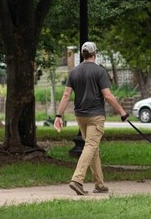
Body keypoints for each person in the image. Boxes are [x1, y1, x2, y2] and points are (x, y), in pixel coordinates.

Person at [54, 41, 129, 195]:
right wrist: (122, 112)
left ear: (83, 54)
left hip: (80, 116)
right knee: (90, 146)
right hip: (96, 116)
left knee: (92, 147)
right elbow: (107, 95)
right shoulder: (99, 71)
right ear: (95, 53)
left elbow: (66, 95)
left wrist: (58, 115)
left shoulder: (73, 72)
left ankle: (100, 184)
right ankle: (77, 180)